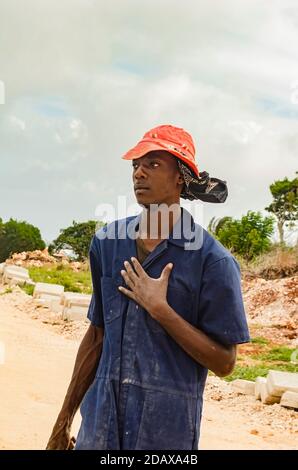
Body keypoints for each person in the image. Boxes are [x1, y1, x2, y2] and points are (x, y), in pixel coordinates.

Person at [46, 124, 250, 450]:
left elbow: (225, 362)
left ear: (180, 176)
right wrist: (63, 420)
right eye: (136, 165)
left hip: (164, 437)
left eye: (153, 164)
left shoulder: (213, 261)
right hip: (99, 432)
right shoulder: (107, 245)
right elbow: (97, 335)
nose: (139, 173)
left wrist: (162, 311)